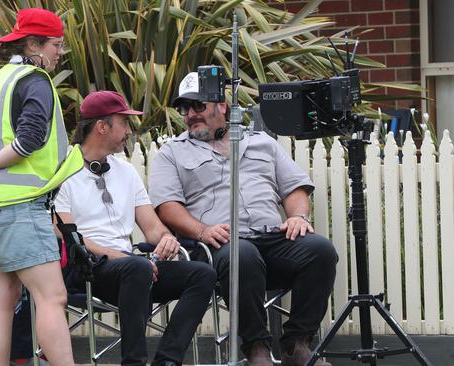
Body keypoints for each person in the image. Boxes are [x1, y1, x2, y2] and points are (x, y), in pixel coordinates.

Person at [149, 72, 338, 366]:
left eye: (197, 106)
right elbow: (167, 207)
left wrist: (298, 216)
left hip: (271, 237)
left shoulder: (261, 142)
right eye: (184, 108)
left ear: (222, 105)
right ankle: (256, 348)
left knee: (320, 251)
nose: (190, 115)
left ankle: (296, 344)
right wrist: (201, 230)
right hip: (218, 242)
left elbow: (294, 187)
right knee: (243, 254)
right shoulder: (172, 153)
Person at [0, 8, 81, 366]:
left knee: (0, 299)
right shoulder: (35, 80)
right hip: (20, 206)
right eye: (56, 45)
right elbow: (28, 141)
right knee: (52, 297)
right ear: (33, 45)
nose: (59, 52)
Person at [54, 90, 216, 366]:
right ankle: (134, 362)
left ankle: (166, 360)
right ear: (102, 127)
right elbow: (68, 234)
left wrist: (166, 240)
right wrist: (124, 258)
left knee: (202, 274)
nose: (129, 131)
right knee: (137, 267)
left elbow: (152, 227)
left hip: (133, 271)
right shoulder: (62, 170)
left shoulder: (125, 171)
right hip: (88, 268)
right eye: (124, 123)